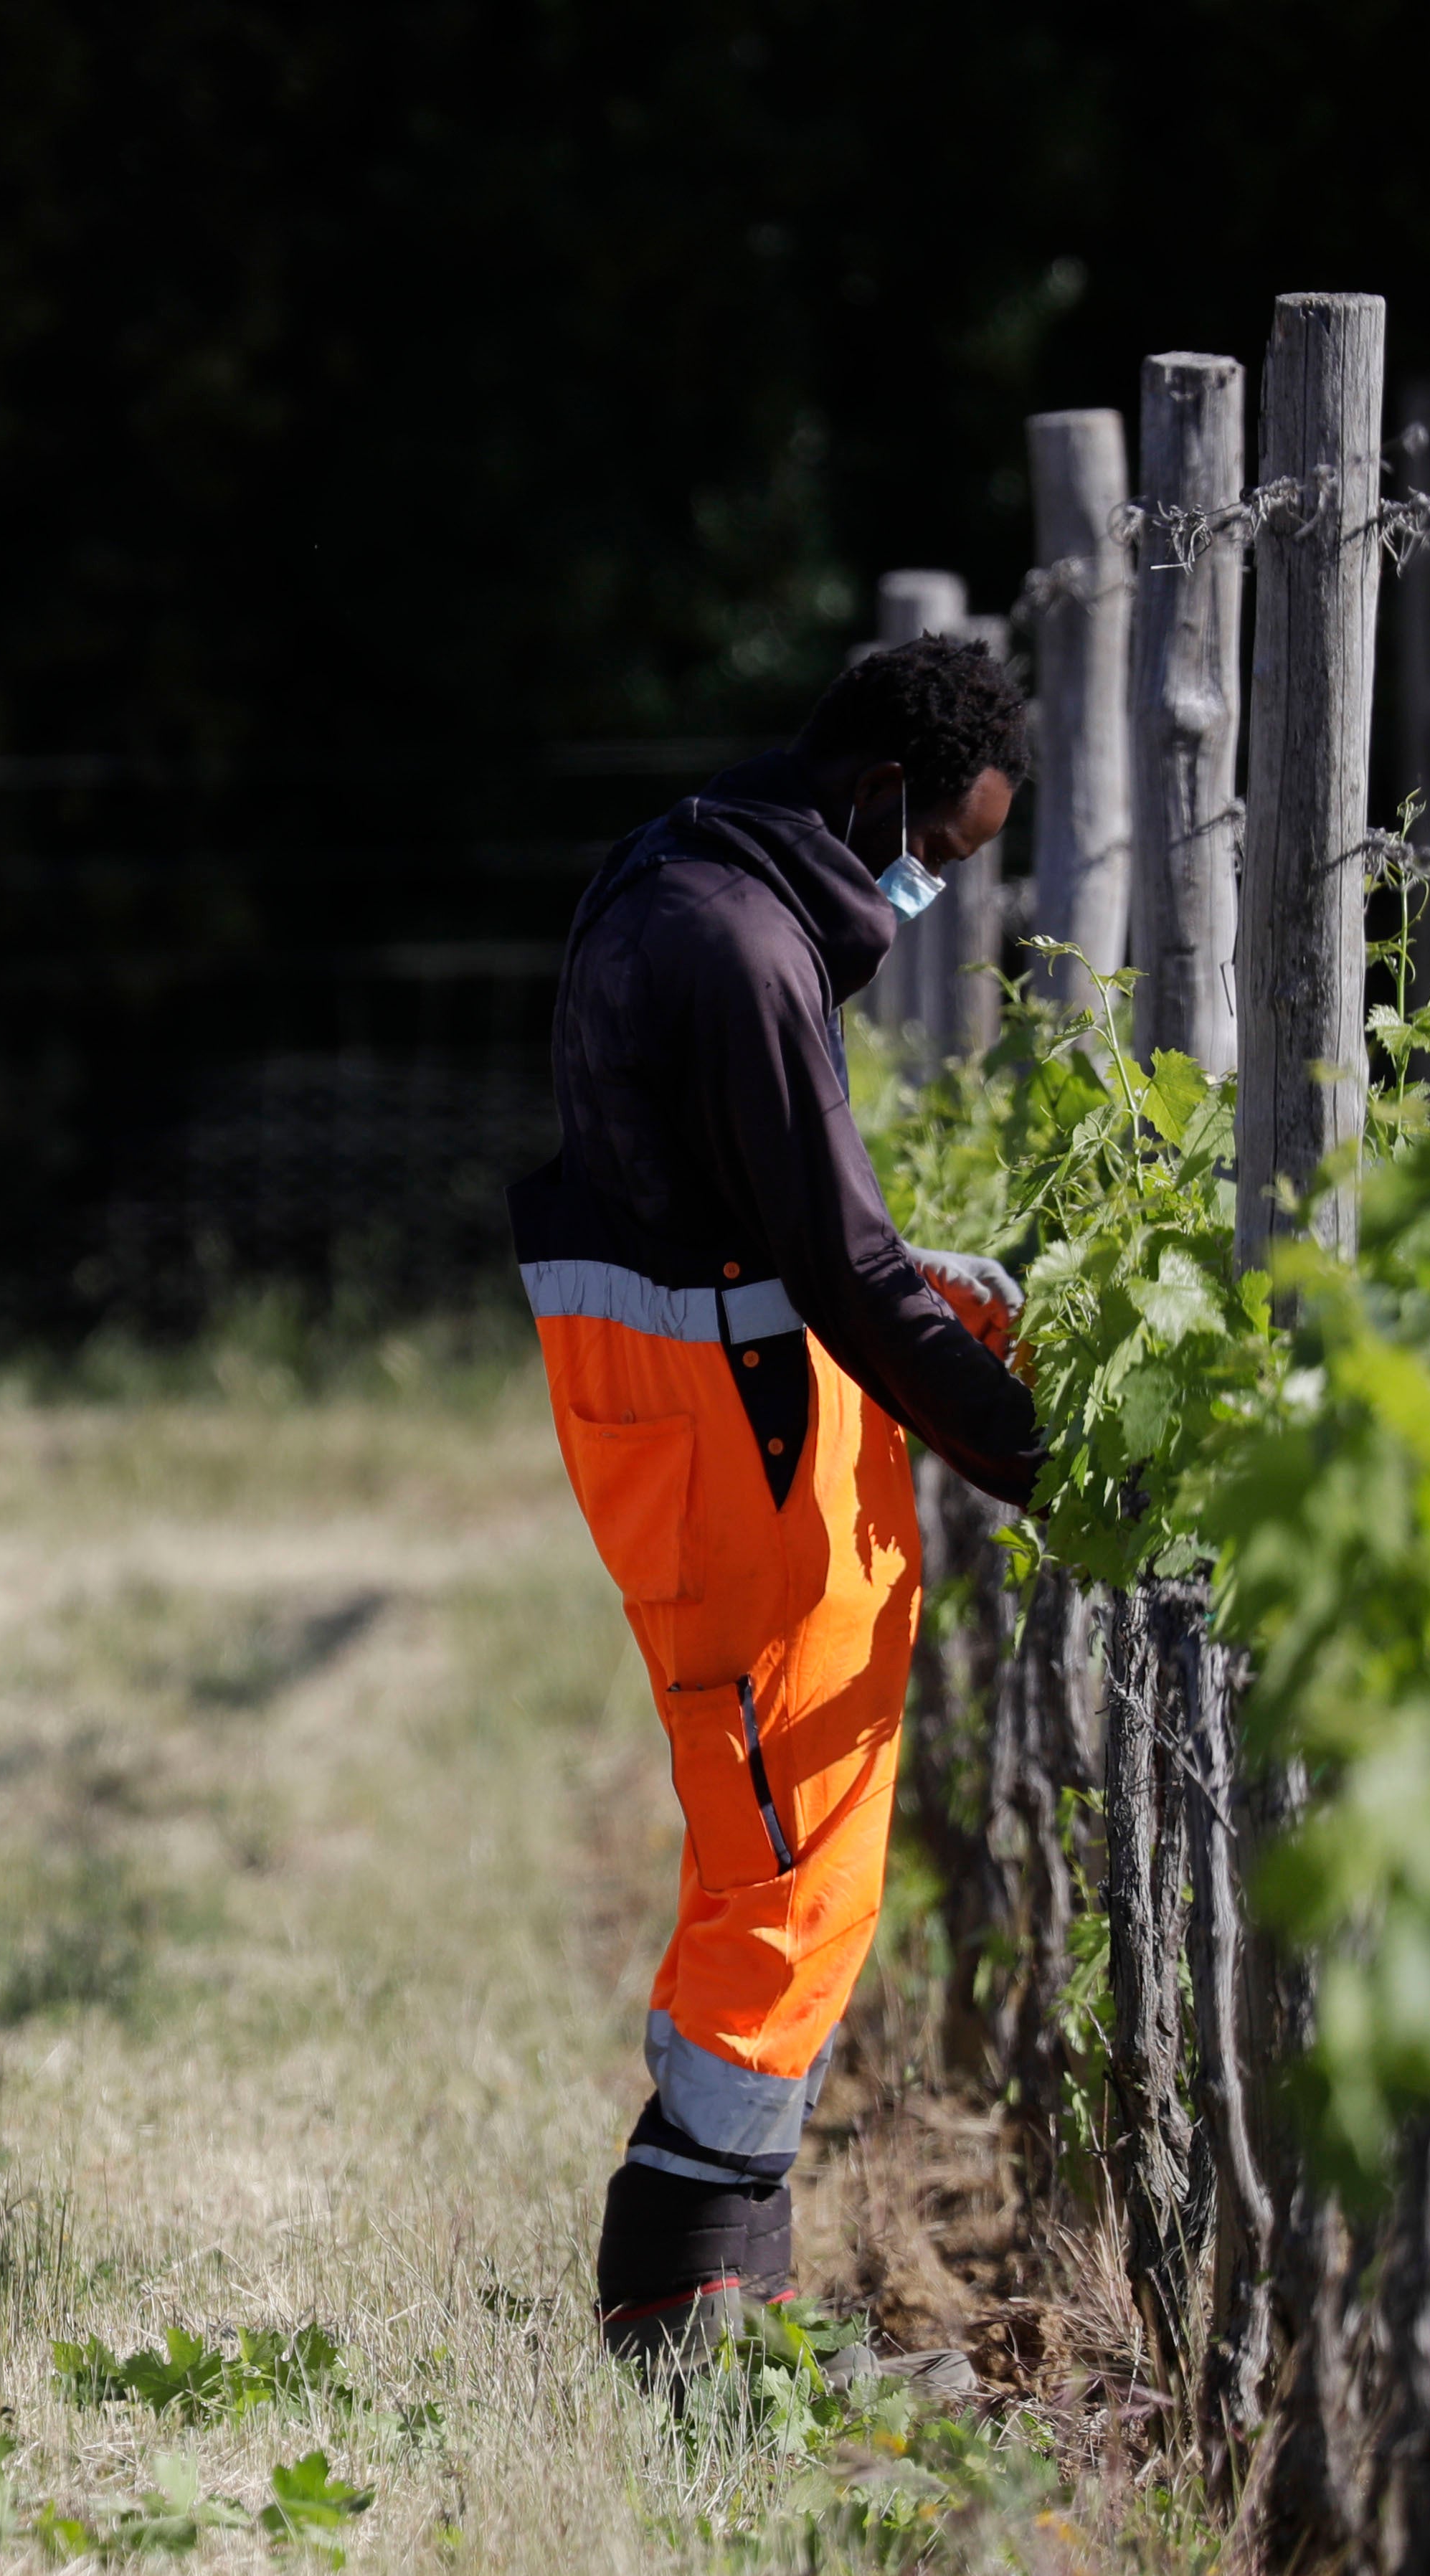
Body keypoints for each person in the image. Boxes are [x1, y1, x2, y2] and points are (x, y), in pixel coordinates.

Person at [513, 633, 1046, 2365]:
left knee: (768, 1846)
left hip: (689, 1404)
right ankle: (687, 2314)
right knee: (797, 1863)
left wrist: (910, 1280)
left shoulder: (670, 873)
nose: (934, 888)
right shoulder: (745, 950)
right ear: (883, 789)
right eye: (942, 853)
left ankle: (727, 2284)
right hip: (732, 1429)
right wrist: (1039, 1455)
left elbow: (750, 1205)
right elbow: (831, 1266)